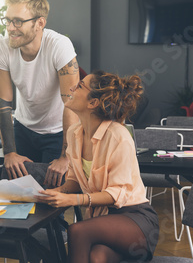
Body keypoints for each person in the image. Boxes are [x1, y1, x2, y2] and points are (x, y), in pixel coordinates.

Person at [36, 70, 159, 262]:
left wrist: (72, 201)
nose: (71, 87)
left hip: (135, 219)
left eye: (79, 86)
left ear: (93, 103)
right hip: (103, 220)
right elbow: (75, 180)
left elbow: (116, 194)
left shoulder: (118, 136)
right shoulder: (74, 133)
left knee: (77, 230)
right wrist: (58, 192)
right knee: (96, 257)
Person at [0, 0, 79, 187]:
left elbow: (71, 105)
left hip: (57, 132)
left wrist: (66, 156)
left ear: (40, 23)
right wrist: (10, 152)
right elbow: (4, 104)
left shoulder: (59, 46)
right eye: (8, 20)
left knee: (49, 200)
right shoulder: (1, 48)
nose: (11, 28)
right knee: (14, 194)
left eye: (18, 21)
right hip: (23, 129)